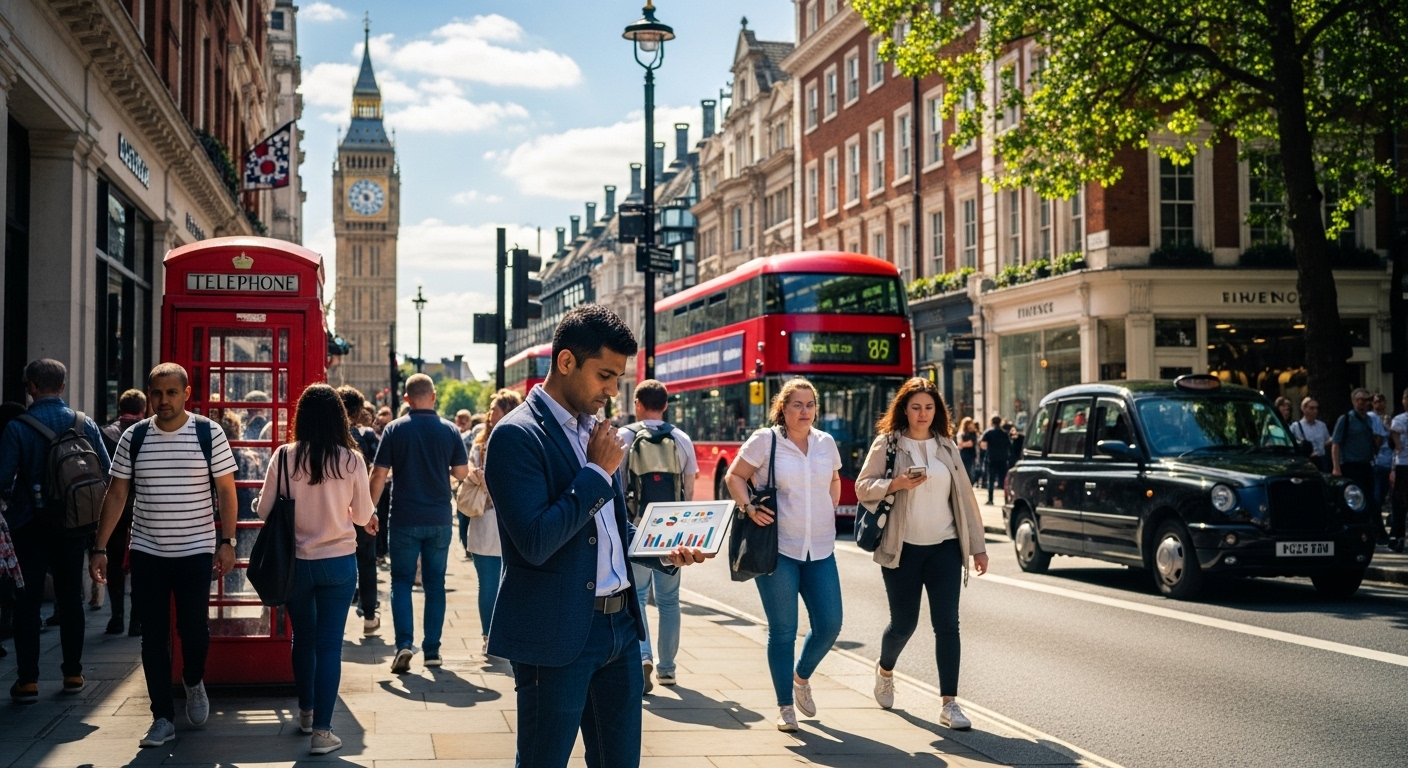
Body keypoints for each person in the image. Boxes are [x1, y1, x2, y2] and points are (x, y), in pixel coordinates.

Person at [484, 304, 709, 768]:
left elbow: (608, 529)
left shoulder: (596, 430)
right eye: (605, 375)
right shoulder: (516, 436)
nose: (613, 390)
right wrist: (594, 470)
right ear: (566, 362)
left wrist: (662, 549)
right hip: (558, 631)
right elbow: (534, 540)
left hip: (620, 629)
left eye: (619, 378)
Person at [90, 363, 238, 747]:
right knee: (152, 638)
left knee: (194, 631)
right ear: (149, 395)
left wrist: (228, 541)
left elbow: (226, 490)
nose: (164, 400)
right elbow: (117, 494)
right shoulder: (134, 437)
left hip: (195, 550)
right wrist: (100, 547)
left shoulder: (209, 433)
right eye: (157, 393)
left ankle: (192, 679)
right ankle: (162, 717)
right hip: (147, 549)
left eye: (172, 392)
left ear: (186, 394)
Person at [855, 377, 989, 729]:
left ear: (937, 410)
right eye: (915, 407)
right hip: (903, 549)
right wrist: (895, 484)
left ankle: (950, 704)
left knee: (948, 625)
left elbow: (965, 497)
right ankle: (885, 670)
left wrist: (978, 546)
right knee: (904, 624)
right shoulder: (888, 444)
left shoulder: (946, 446)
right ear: (904, 408)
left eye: (929, 407)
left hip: (944, 548)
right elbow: (862, 487)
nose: (922, 413)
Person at [255, 384, 375, 756]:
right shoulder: (351, 459)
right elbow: (363, 515)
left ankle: (306, 712)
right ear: (339, 417)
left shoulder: (284, 456)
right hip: (338, 563)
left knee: (302, 639)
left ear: (301, 416)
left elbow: (263, 510)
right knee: (329, 646)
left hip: (296, 565)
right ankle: (322, 732)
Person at [724, 376, 844, 733]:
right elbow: (735, 477)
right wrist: (748, 507)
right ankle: (785, 705)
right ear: (784, 408)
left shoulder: (826, 443)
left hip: (821, 548)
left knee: (829, 625)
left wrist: (827, 507)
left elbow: (835, 480)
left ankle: (801, 676)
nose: (805, 411)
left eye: (810, 405)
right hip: (777, 549)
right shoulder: (766, 441)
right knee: (783, 630)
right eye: (797, 405)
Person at [0, 359, 111, 702]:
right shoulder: (84, 422)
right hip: (73, 525)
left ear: (30, 386)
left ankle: (28, 681)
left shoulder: (17, 428)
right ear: (62, 387)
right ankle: (73, 674)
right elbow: (106, 472)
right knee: (71, 598)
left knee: (28, 602)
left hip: (28, 525)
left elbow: (3, 480)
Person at [368, 374, 469, 673]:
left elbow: (378, 475)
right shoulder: (450, 430)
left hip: (403, 517)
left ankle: (403, 644)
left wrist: (368, 511)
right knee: (435, 584)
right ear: (434, 397)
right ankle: (433, 651)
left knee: (400, 582)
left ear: (407, 399)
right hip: (438, 518)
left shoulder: (394, 430)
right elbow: (462, 473)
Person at [618, 379, 697, 693]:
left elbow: (617, 484)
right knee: (669, 601)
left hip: (637, 527)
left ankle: (642, 656)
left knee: (636, 597)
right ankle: (667, 669)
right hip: (672, 529)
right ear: (665, 405)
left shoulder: (625, 436)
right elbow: (689, 491)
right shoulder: (681, 439)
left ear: (638, 404)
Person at [465, 389, 522, 654]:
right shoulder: (521, 441)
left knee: (491, 582)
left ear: (507, 409)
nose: (490, 414)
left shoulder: (483, 446)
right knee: (494, 582)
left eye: (495, 409)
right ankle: (495, 634)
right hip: (500, 519)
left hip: (492, 520)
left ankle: (491, 635)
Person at [99, 388, 147, 636]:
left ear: (120, 408)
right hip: (143, 506)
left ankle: (116, 616)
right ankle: (136, 622)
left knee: (115, 562)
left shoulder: (105, 433)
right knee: (139, 563)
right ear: (144, 409)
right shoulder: (149, 432)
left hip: (116, 505)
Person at [337, 386, 382, 635]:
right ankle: (369, 615)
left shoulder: (324, 436)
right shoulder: (359, 437)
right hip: (359, 508)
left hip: (333, 512)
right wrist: (370, 511)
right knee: (366, 562)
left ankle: (338, 616)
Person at [1332, 388, 1384, 541]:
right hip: (1350, 465)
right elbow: (1336, 443)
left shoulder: (1369, 420)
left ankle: (1373, 532)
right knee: (1354, 499)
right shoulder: (1346, 419)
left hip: (1366, 465)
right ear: (1353, 401)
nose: (1362, 403)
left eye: (1365, 400)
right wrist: (1336, 467)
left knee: (1370, 499)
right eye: (1359, 400)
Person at [1389, 389, 1408, 553]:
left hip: (1403, 462)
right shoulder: (1400, 419)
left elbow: (1394, 434)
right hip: (1403, 463)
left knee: (1400, 501)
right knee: (1400, 502)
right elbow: (1394, 435)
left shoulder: (1399, 420)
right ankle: (1398, 536)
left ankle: (1399, 536)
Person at [978, 416, 1012, 505]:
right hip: (1003, 459)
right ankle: (1006, 500)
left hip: (992, 458)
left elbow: (982, 441)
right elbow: (1009, 445)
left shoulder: (989, 432)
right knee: (1004, 480)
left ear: (992, 422)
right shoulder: (1004, 433)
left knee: (991, 480)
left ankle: (990, 499)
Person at [1291, 397, 1332, 472]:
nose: (1315, 411)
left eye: (1317, 408)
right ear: (1304, 409)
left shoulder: (1322, 425)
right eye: (1311, 408)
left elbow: (1327, 441)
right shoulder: (1296, 426)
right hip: (1306, 462)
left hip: (1321, 460)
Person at [1371, 393, 1393, 516]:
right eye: (1377, 402)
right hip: (1375, 460)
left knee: (1385, 491)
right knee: (1377, 492)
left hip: (1388, 459)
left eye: (1382, 401)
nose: (1380, 404)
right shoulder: (1370, 418)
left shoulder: (1390, 418)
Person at [956, 417, 978, 482]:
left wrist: (964, 444)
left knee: (970, 470)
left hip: (971, 454)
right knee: (963, 470)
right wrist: (967, 443)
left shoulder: (973, 433)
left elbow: (972, 443)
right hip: (963, 454)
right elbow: (960, 444)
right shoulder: (961, 433)